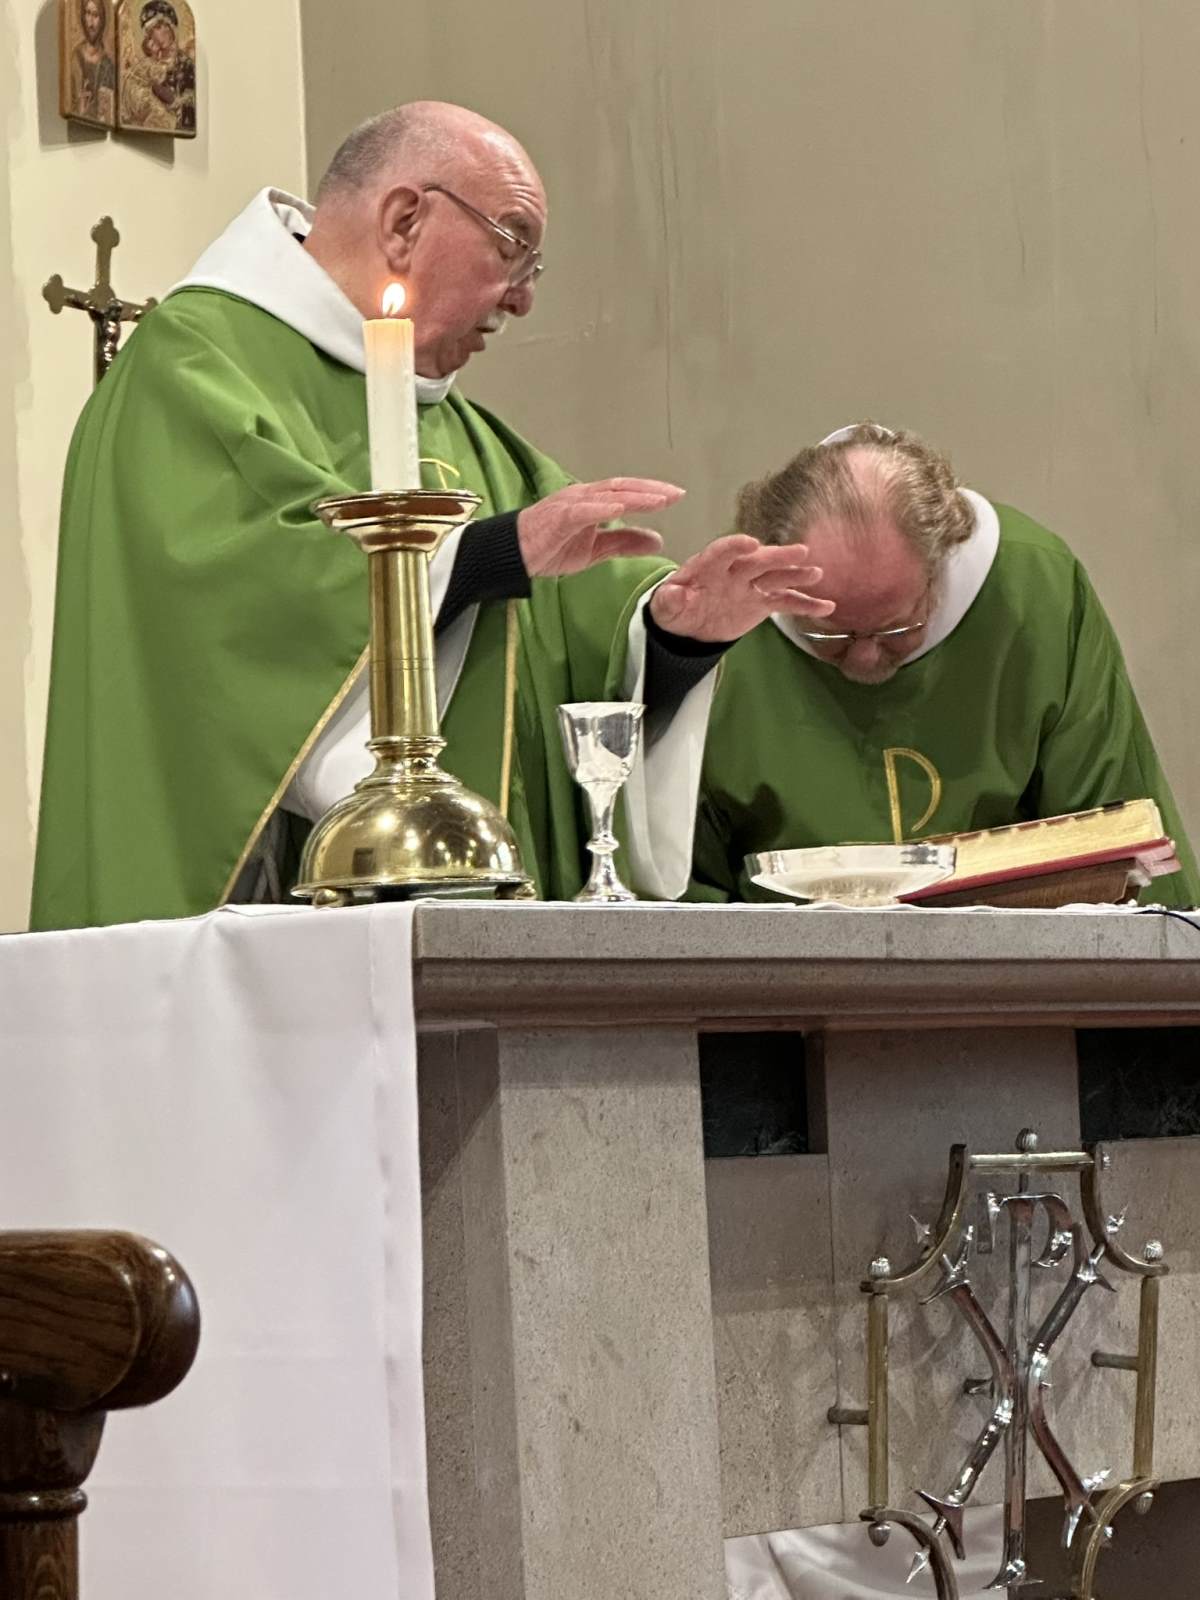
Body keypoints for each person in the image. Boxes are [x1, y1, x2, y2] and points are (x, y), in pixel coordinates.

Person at [31, 101, 830, 929]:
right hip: (260, 928)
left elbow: (577, 629)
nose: (522, 299)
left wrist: (671, 632)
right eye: (511, 247)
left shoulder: (470, 438)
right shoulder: (193, 364)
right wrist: (487, 556)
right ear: (405, 220)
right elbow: (235, 598)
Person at [684, 422, 1199, 907]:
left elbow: (1113, 843)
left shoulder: (1034, 596)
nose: (864, 657)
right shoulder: (724, 615)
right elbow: (680, 874)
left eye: (896, 630)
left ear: (942, 565)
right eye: (829, 634)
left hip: (1010, 960)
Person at [70, 0, 116, 126]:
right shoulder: (75, 58)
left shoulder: (108, 64)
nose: (90, 23)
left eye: (96, 15)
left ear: (103, 20)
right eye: (88, 13)